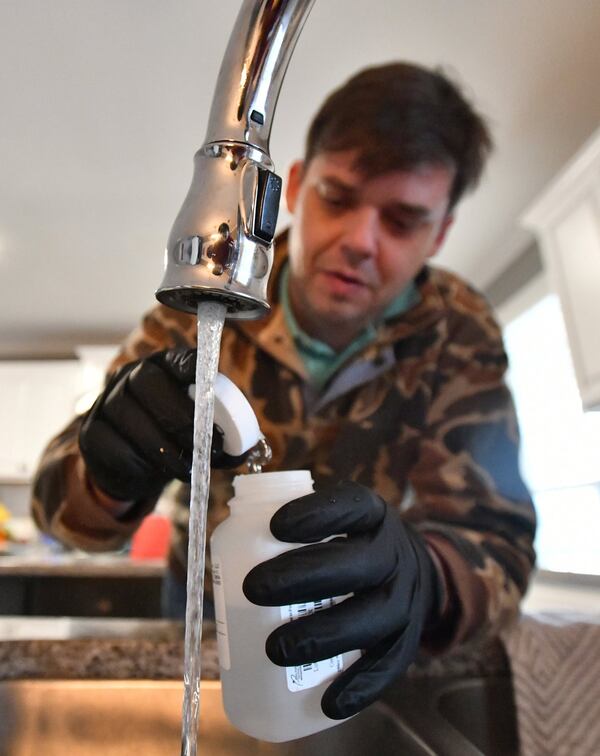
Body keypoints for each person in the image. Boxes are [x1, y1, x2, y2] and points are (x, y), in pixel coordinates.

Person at [31, 62, 536, 720]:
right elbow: (57, 512)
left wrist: (427, 578)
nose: (359, 241)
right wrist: (106, 474)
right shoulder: (206, 301)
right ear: (295, 184)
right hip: (206, 642)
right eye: (337, 196)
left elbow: (498, 545)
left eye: (403, 220)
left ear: (440, 232)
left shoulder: (458, 334)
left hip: (364, 654)